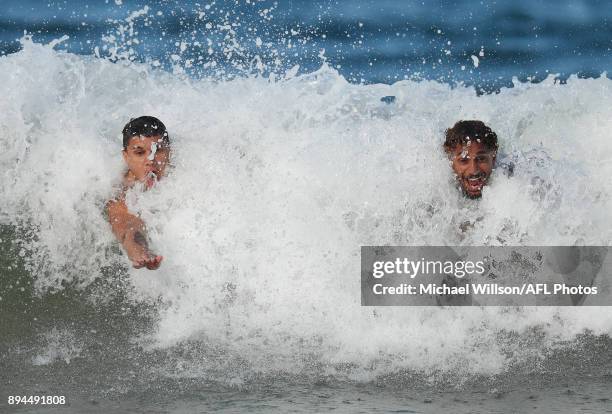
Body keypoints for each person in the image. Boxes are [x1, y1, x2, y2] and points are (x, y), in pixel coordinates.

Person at [106, 116, 170, 270]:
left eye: (158, 150)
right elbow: (127, 226)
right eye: (140, 152)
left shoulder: (186, 168)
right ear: (126, 156)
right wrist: (140, 251)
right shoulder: (122, 191)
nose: (151, 160)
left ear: (169, 151)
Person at [443, 120, 498, 199]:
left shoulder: (510, 178)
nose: (473, 170)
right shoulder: (439, 190)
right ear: (450, 161)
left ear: (493, 158)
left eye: (481, 159)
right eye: (464, 160)